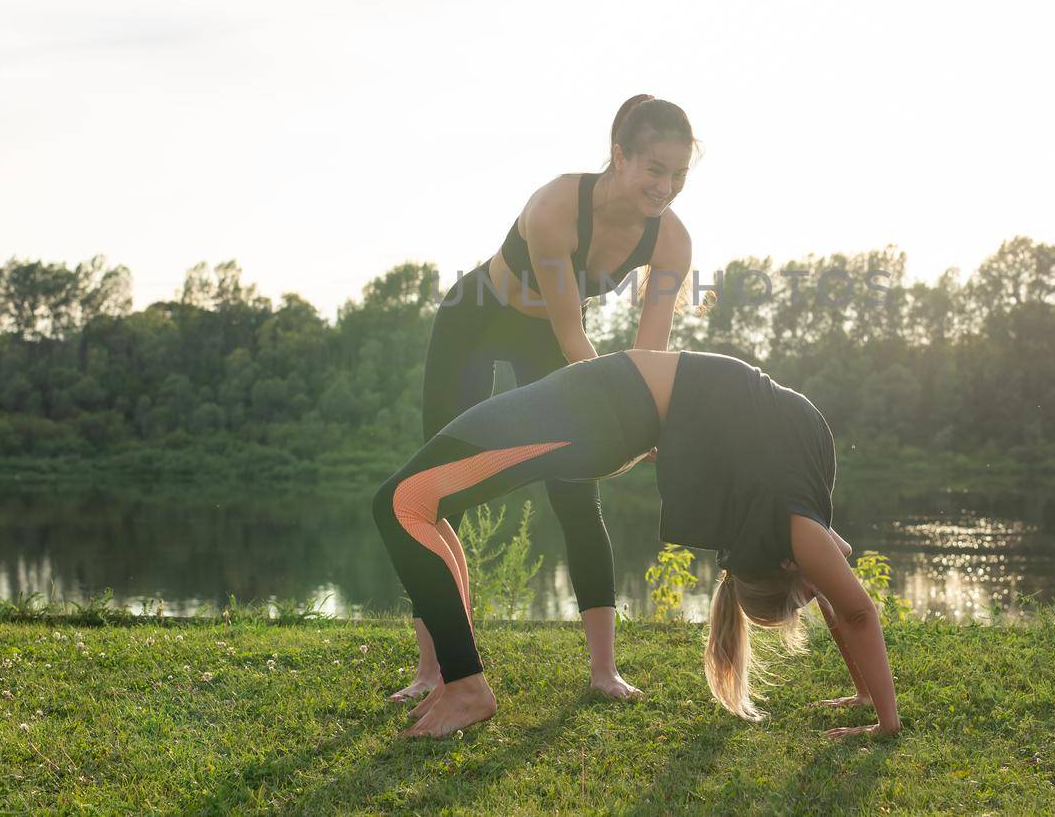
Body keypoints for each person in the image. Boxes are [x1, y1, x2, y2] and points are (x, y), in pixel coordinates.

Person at [371, 349, 903, 741]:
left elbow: (849, 606)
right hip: (611, 405)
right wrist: (869, 702)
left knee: (402, 503)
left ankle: (465, 686)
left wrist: (885, 719)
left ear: (786, 565)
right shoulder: (797, 529)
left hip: (601, 410)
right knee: (416, 502)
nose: (828, 574)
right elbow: (844, 597)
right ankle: (456, 678)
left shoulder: (795, 529)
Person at [393, 96, 696, 704]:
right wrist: (618, 412)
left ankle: (605, 672)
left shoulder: (672, 242)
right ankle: (434, 669)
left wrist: (650, 424)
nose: (666, 187)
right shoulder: (558, 205)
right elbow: (571, 336)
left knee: (578, 495)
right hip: (475, 321)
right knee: (434, 490)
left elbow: (650, 358)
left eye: (679, 175)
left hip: (548, 335)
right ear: (620, 156)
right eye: (654, 169)